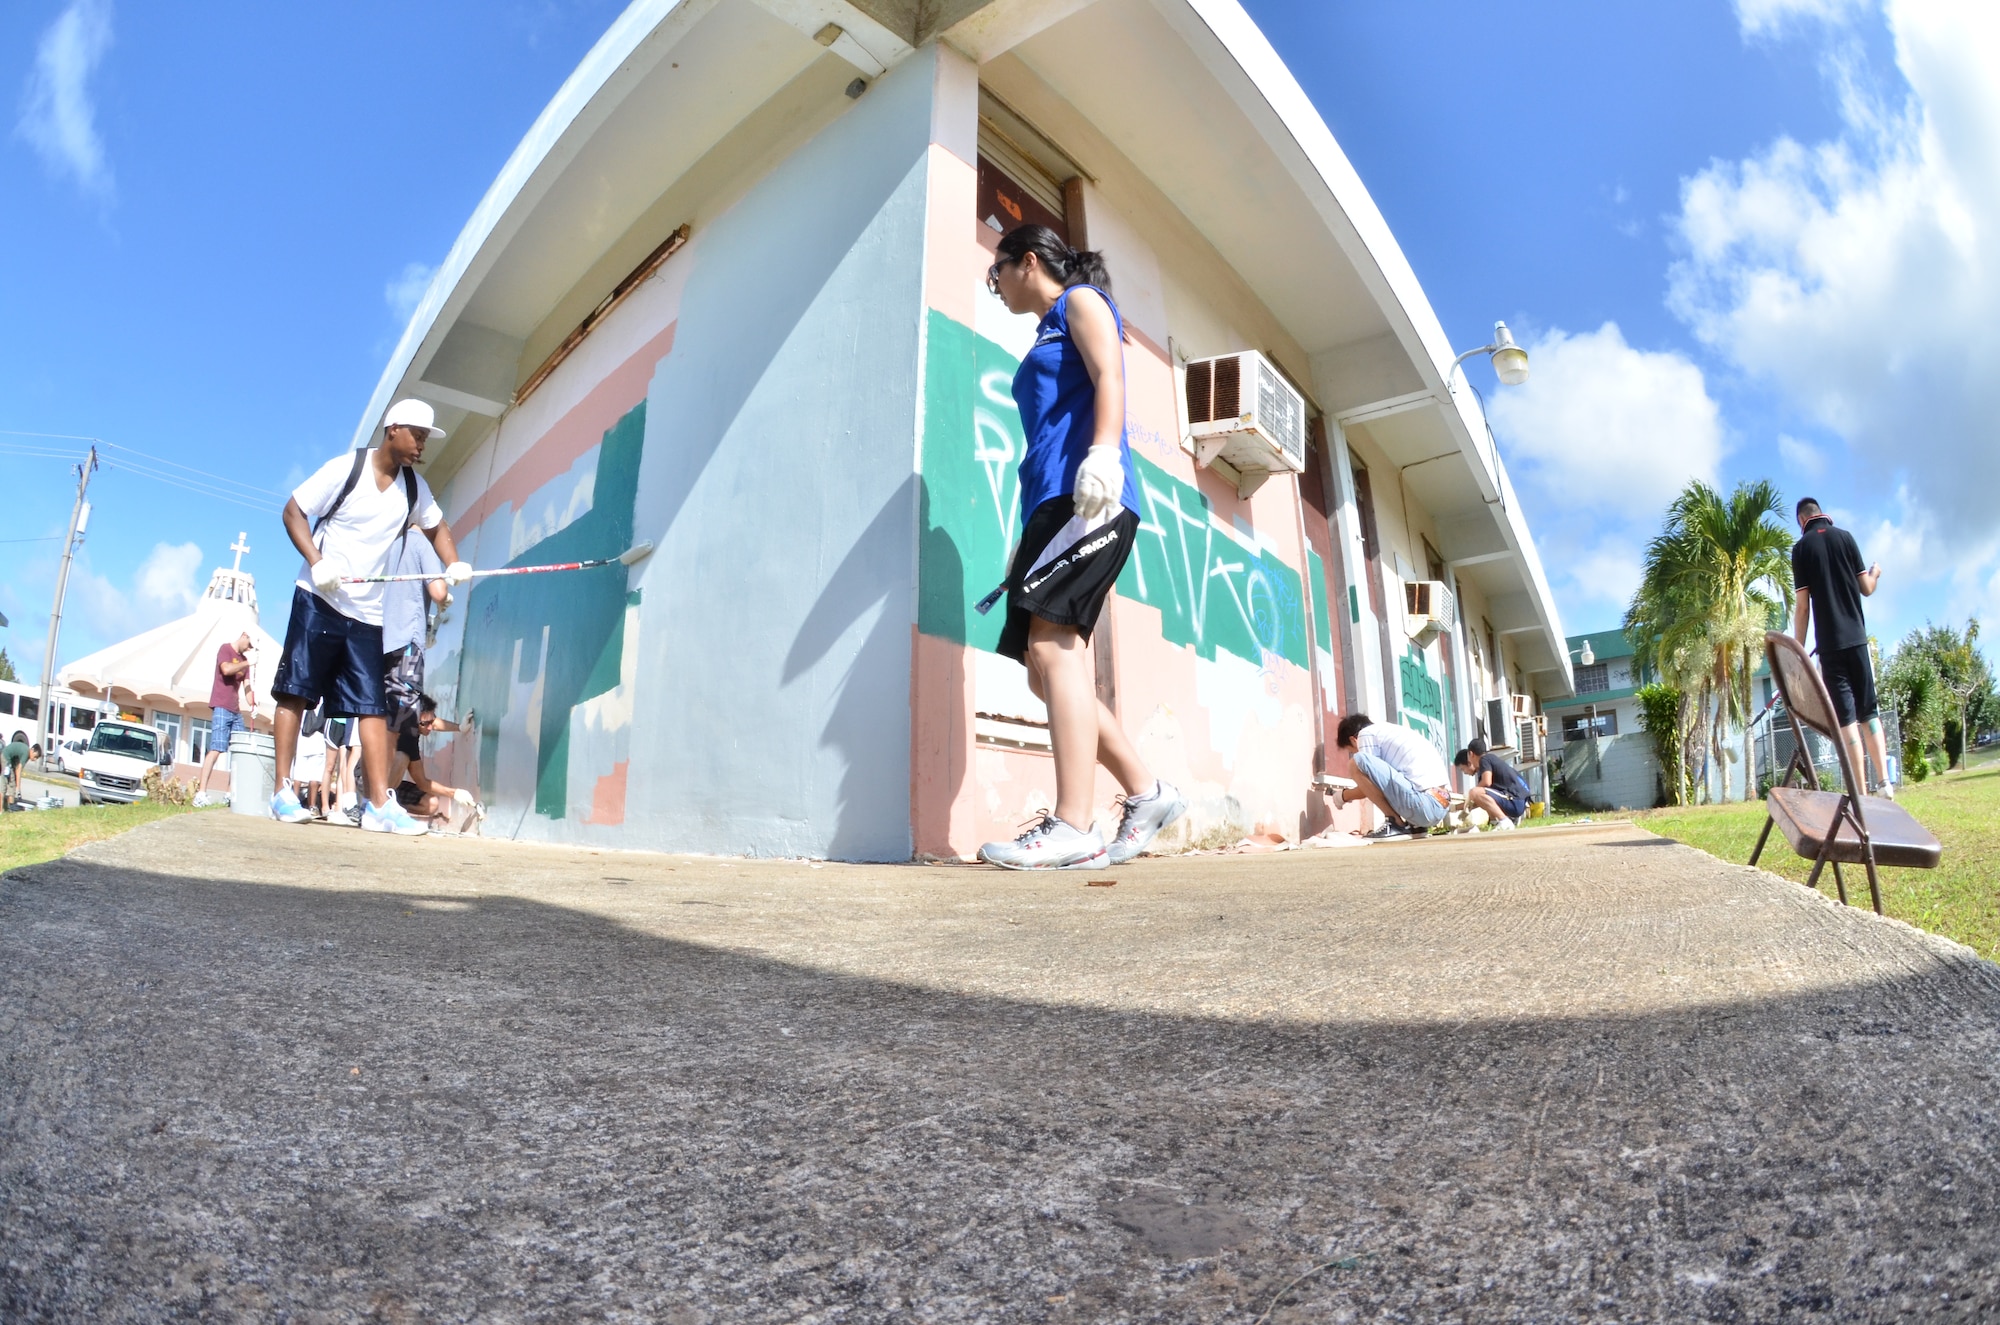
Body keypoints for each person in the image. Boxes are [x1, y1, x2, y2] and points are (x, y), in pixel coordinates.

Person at [977, 224, 1184, 870]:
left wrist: (1103, 454)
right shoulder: (1044, 333)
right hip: (1049, 506)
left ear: (1028, 261)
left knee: (1053, 645)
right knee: (1044, 670)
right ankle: (1147, 792)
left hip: (1089, 493)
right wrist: (1023, 543)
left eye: (998, 272)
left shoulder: (1080, 302)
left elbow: (1109, 375)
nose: (997, 286)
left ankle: (1073, 823)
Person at [269, 398, 470, 835]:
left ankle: (379, 805)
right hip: (319, 597)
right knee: (295, 692)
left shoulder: (414, 489)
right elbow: (292, 511)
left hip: (367, 613)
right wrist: (316, 560)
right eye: (416, 433)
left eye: (425, 437)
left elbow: (438, 528)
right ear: (391, 428)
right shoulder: (347, 469)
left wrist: (451, 562)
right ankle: (283, 793)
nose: (421, 444)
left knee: (372, 707)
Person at [1791, 497, 1892, 796]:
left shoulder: (1801, 549)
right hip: (1858, 641)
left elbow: (1802, 608)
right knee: (1868, 713)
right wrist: (1875, 572)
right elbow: (1867, 588)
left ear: (1801, 521)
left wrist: (1798, 649)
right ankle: (1885, 781)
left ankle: (1861, 794)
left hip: (1831, 647)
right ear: (1820, 513)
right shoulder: (1846, 538)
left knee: (1847, 720)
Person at [1330, 714, 1451, 839]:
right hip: (1441, 804)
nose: (1354, 752)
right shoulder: (1392, 732)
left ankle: (1395, 823)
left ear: (1353, 740)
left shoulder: (1365, 734)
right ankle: (1415, 826)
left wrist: (1342, 797)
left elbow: (1371, 785)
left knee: (1354, 764)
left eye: (1351, 750)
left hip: (1423, 805)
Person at [196, 631, 255, 802]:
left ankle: (230, 794)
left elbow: (247, 687)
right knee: (217, 747)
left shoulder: (246, 662)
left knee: (238, 751)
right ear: (244, 635)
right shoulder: (225, 649)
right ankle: (201, 793)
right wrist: (247, 662)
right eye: (249, 644)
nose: (249, 648)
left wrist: (253, 703)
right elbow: (226, 669)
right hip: (221, 705)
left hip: (236, 710)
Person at [1456, 746, 1528, 831]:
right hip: (1517, 799)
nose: (1464, 773)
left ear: (1469, 762)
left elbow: (1486, 784)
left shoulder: (1485, 761)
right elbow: (1483, 800)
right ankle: (1497, 822)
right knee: (1478, 794)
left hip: (1515, 800)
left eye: (1462, 769)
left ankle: (1504, 821)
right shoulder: (1489, 764)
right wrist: (1459, 807)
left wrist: (1469, 799)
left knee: (1474, 792)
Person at [3, 729, 28, 807]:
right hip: (6, 758)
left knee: (7, 782)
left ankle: (9, 805)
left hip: (6, 757)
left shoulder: (25, 750)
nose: (34, 759)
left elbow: (16, 768)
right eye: (35, 757)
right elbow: (18, 771)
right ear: (33, 751)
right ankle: (11, 807)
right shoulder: (26, 753)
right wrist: (18, 789)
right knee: (11, 784)